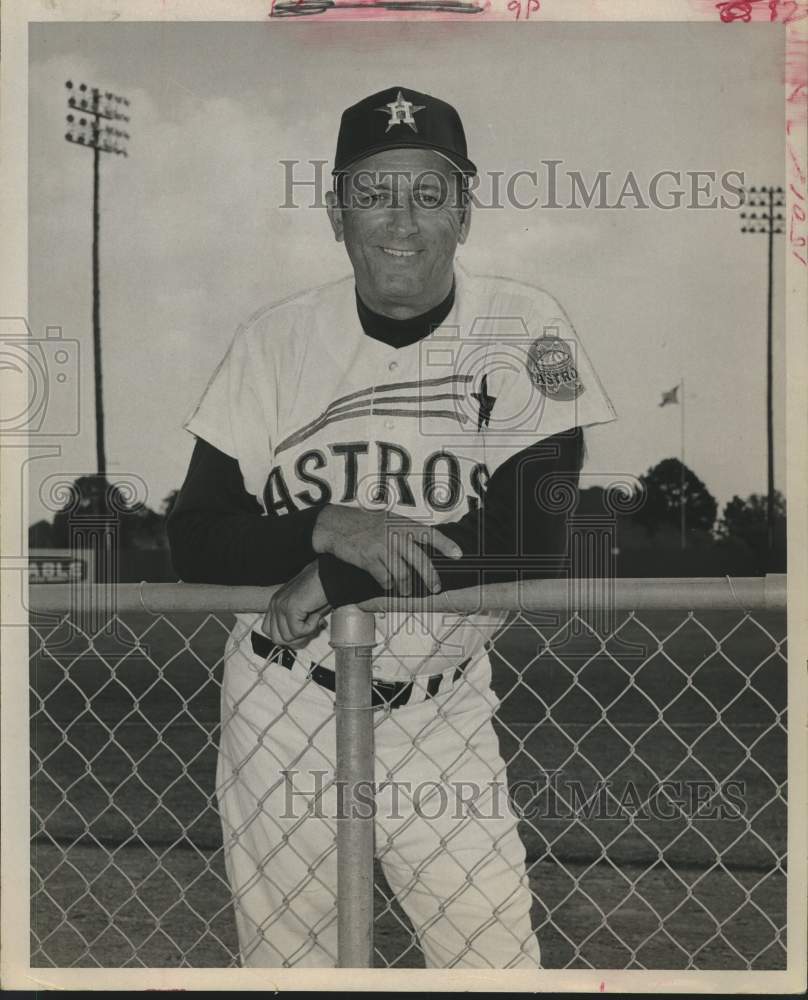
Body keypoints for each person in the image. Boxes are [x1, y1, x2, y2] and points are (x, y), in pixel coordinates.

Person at [168, 86, 617, 968]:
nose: (401, 221)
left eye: (428, 192)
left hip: (442, 713)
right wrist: (323, 525)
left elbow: (533, 531)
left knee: (497, 969)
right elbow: (195, 534)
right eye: (373, 195)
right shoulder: (272, 342)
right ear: (337, 214)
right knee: (293, 972)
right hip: (282, 705)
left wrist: (342, 572)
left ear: (466, 208)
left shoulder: (530, 327)